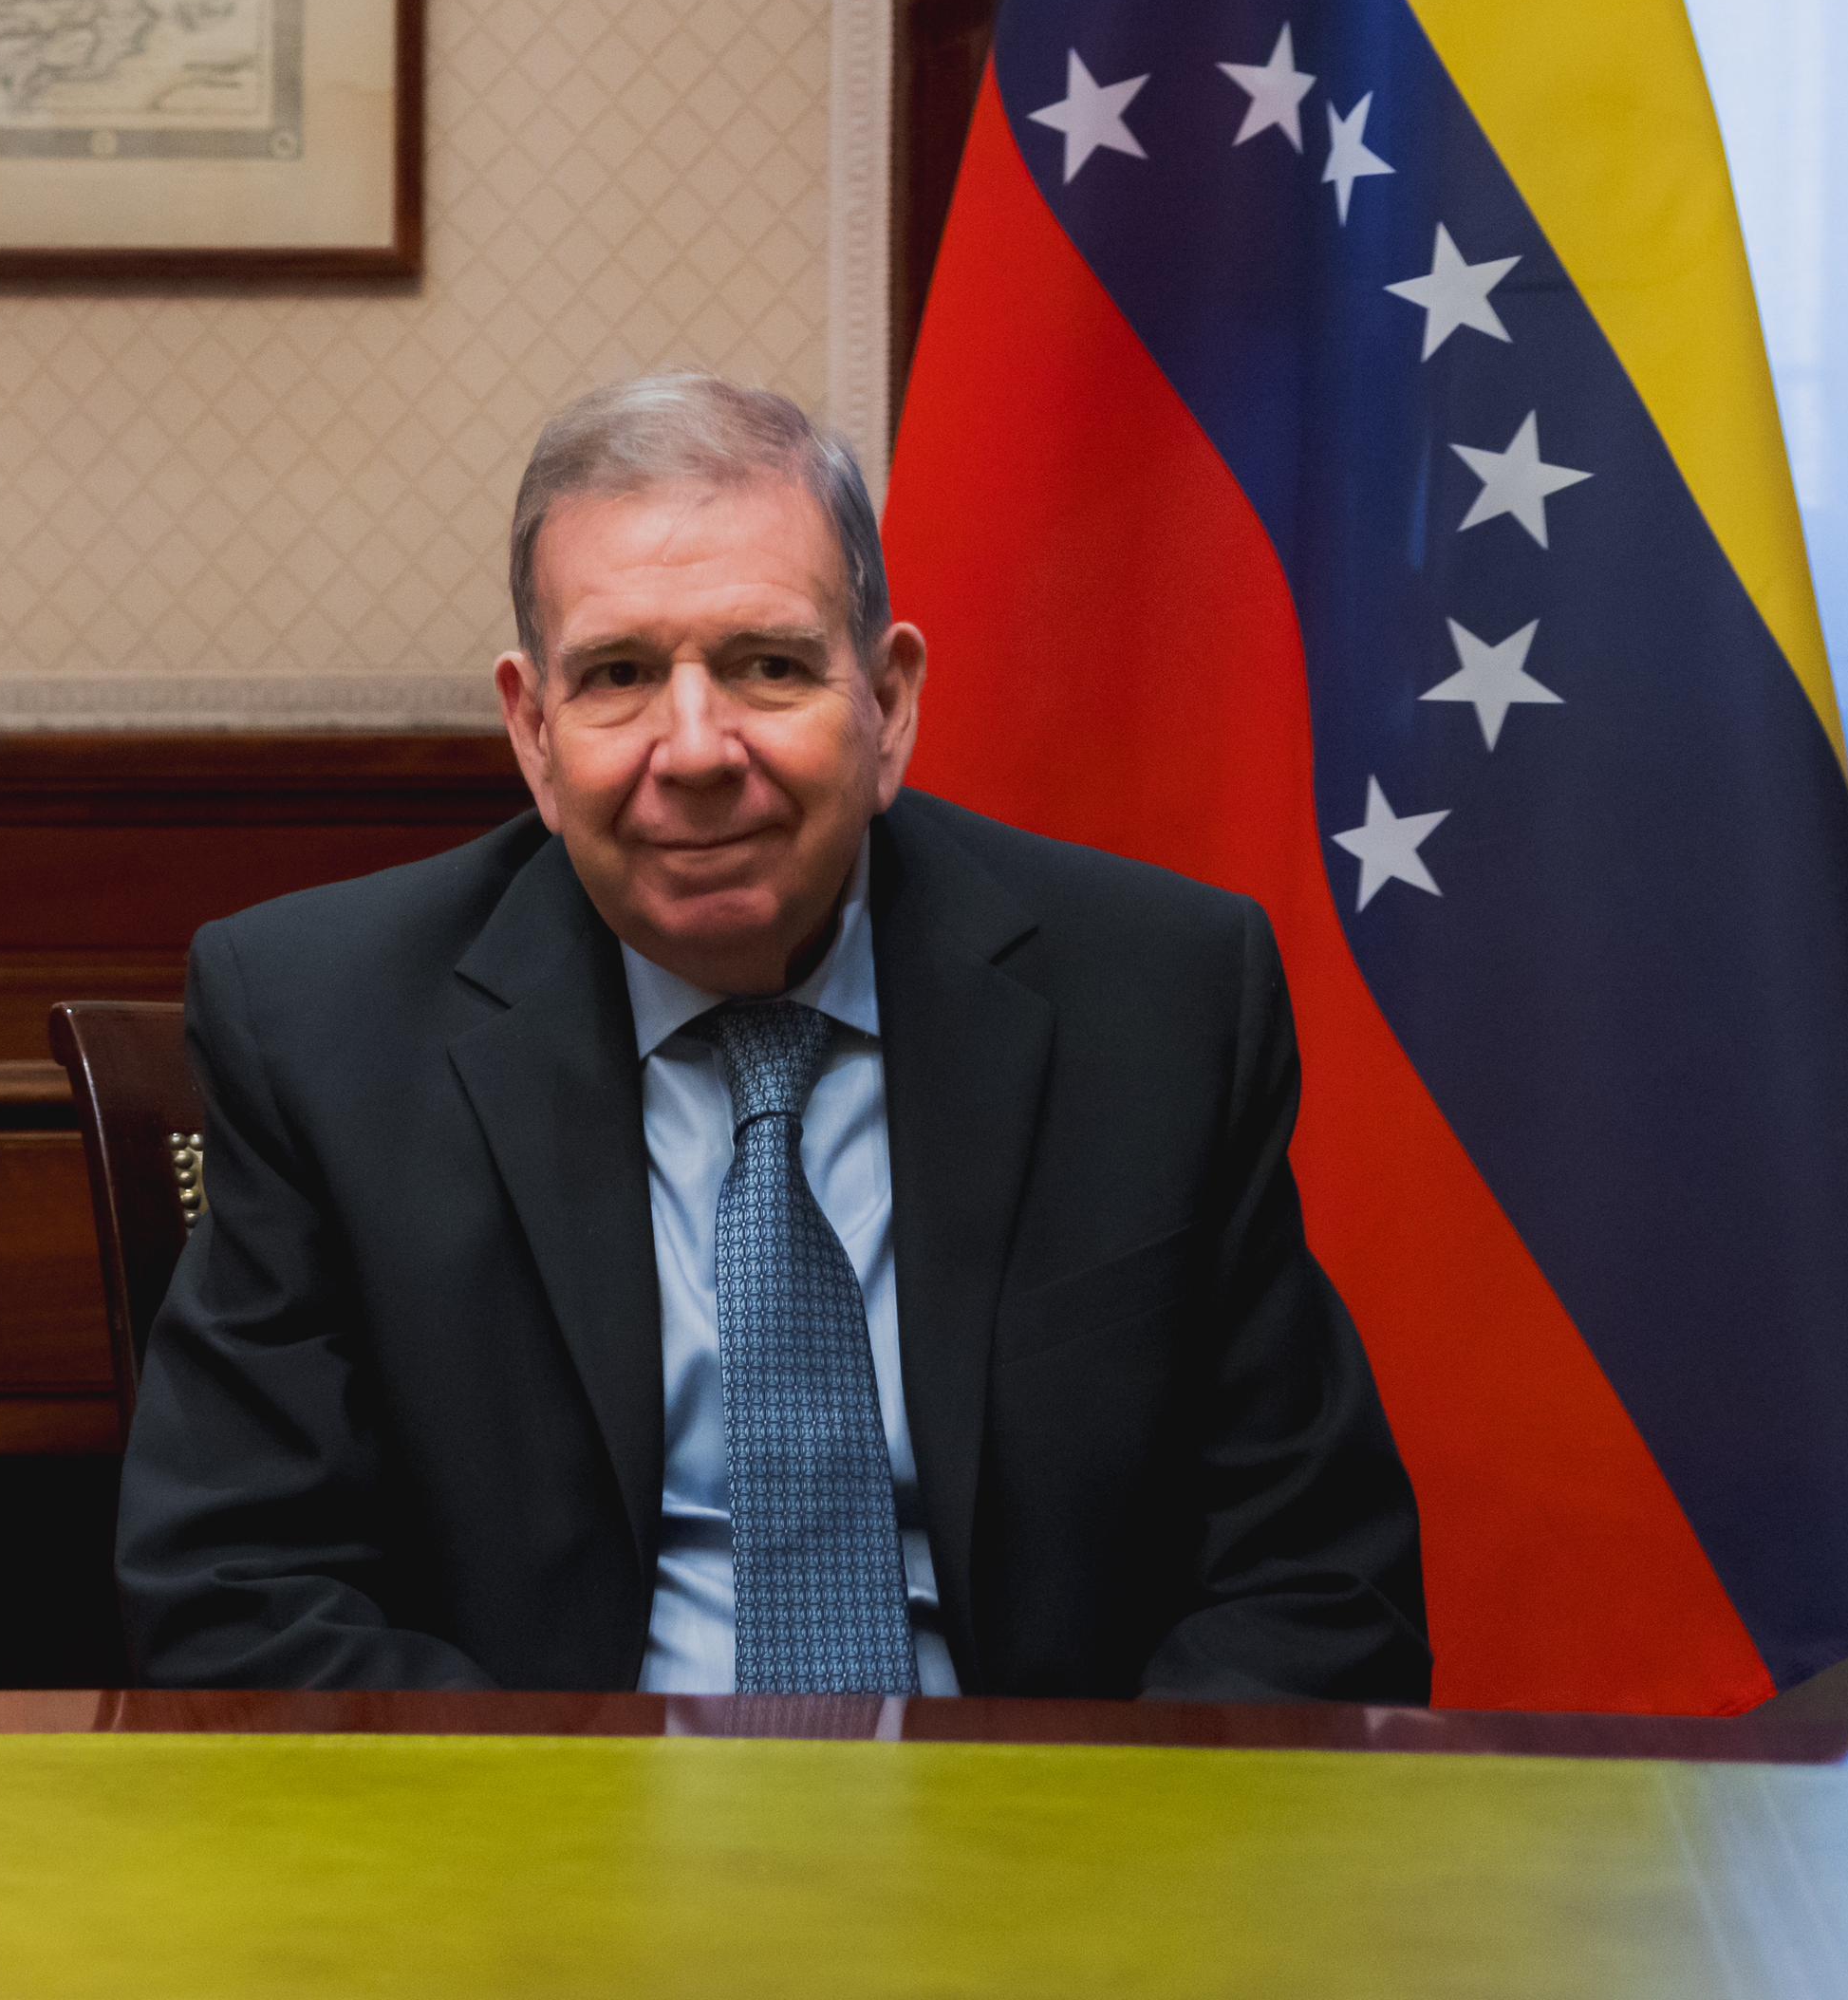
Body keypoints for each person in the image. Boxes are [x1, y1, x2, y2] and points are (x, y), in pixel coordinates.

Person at [115, 372, 1423, 1699]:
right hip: (552, 1851)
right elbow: (238, 1593)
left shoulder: (1160, 1003)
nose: (695, 749)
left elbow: (1315, 1582)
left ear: (890, 703)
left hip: (1050, 1845)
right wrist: (574, 1855)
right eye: (620, 676)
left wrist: (1094, 1863)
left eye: (769, 665)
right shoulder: (323, 1024)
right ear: (532, 729)